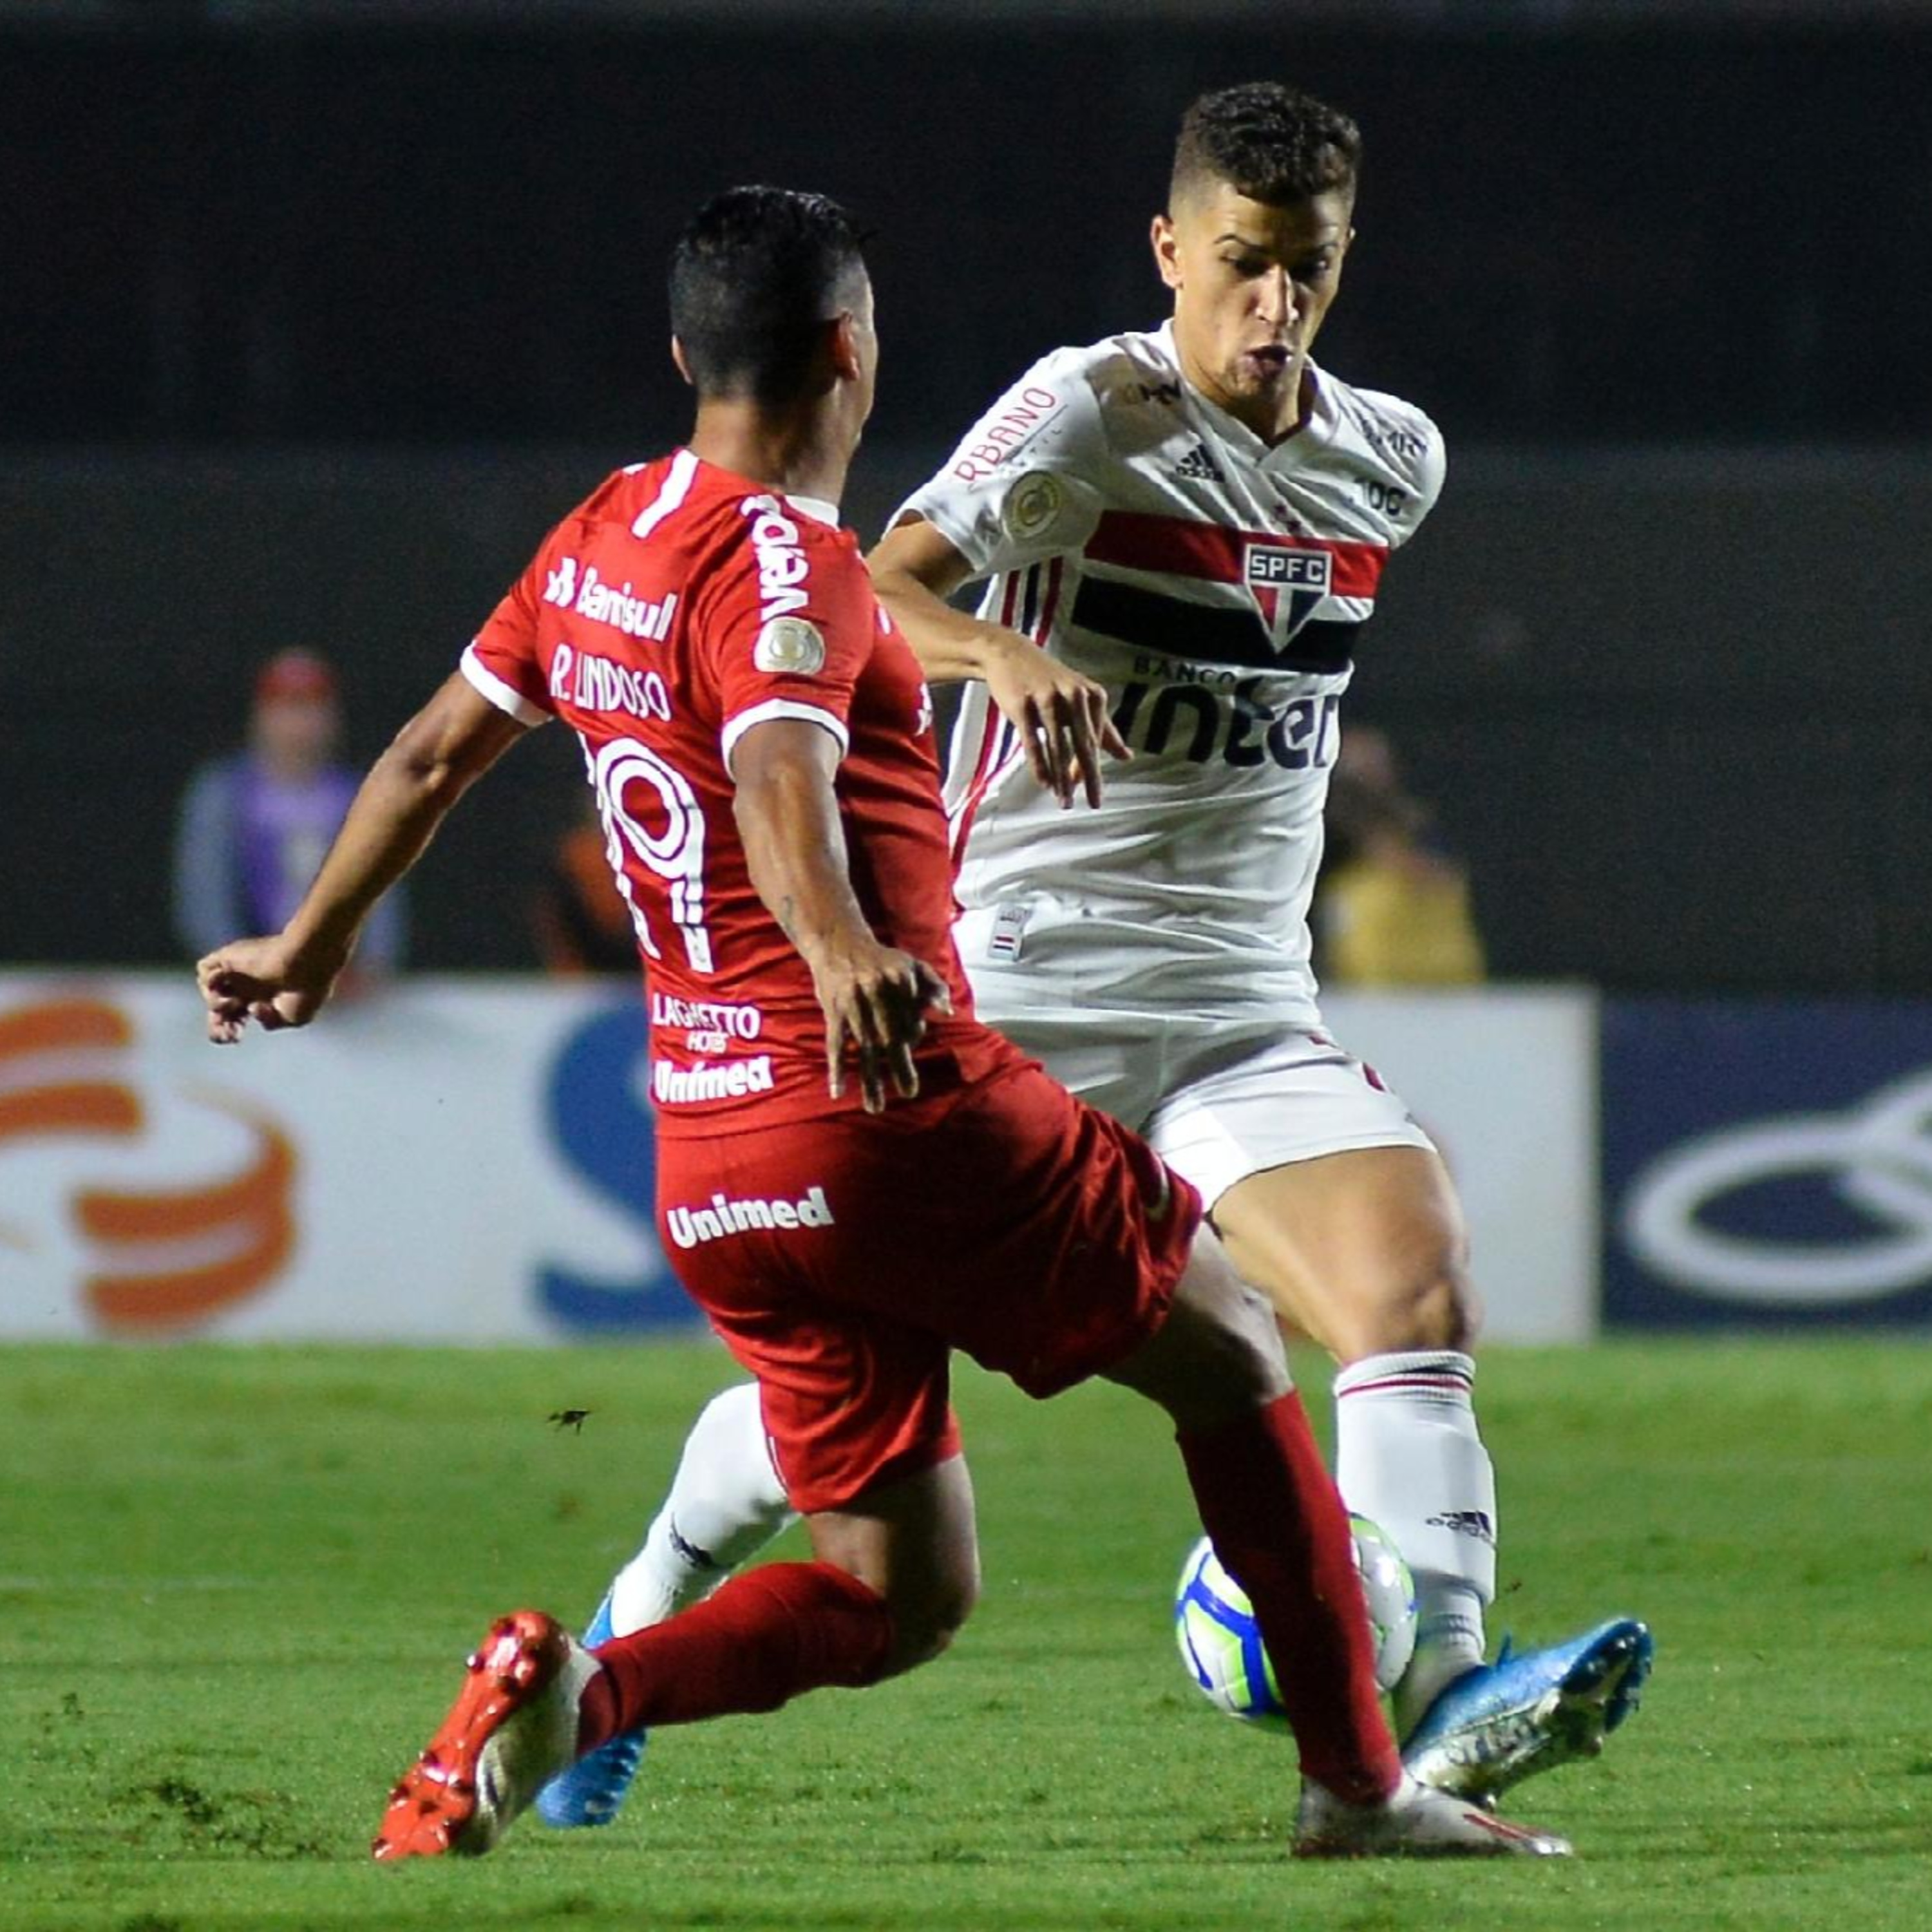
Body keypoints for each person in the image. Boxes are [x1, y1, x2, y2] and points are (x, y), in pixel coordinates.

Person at [194, 185, 1567, 1863]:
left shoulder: (601, 532)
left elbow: (424, 756)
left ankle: (581, 1695)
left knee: (897, 1591)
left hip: (709, 1153)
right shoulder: (799, 562)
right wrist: (843, 948)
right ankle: (1359, 1788)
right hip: (889, 1099)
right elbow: (781, 768)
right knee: (1228, 1356)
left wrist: (307, 946)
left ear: (682, 353)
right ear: (853, 353)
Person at [549, 82, 1650, 1833]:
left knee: (1411, 1290)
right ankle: (639, 1605)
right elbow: (862, 579)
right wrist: (1000, 650)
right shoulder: (1088, 411)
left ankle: (1442, 1697)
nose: (1273, 305)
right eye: (1239, 264)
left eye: (1307, 268)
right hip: (1020, 989)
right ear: (1168, 250)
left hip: (1235, 1007)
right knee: (865, 1403)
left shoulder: (1392, 458)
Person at [172, 647, 406, 973]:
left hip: (342, 984)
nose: (299, 724)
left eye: (311, 708)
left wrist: (369, 965)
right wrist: (237, 966)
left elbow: (382, 891)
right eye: (287, 707)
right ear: (261, 715)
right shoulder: (223, 793)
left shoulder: (358, 795)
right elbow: (204, 892)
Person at [1316, 724, 1486, 987]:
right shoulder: (1323, 819)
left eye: (1375, 762)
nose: (1368, 772)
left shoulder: (1408, 816)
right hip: (1352, 944)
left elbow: (1441, 872)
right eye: (1358, 764)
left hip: (1411, 947)